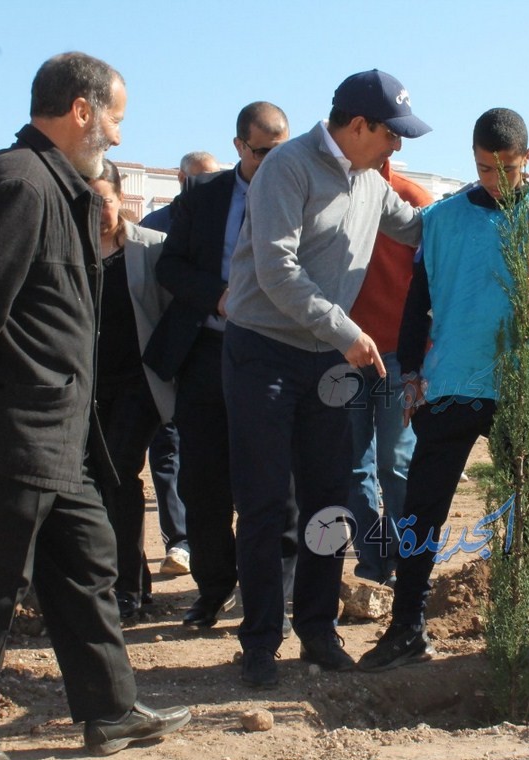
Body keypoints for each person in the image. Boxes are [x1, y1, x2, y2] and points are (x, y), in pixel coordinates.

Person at [0, 52, 189, 760]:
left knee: (91, 564)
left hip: (60, 434)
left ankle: (110, 712)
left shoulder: (63, 189)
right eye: (116, 118)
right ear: (82, 109)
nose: (119, 138)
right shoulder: (17, 182)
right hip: (11, 429)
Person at [221, 70, 430, 688]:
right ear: (360, 126)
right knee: (266, 505)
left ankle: (316, 630)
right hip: (265, 353)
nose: (399, 147)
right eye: (393, 135)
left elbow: (418, 228)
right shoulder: (288, 168)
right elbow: (277, 271)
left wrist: (490, 210)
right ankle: (260, 641)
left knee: (328, 502)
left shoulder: (372, 179)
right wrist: (346, 330)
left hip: (328, 363)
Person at [358, 108, 529, 672]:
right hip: (450, 384)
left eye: (507, 168)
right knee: (423, 512)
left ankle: (516, 625)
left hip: (524, 387)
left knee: (518, 508)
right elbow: (417, 301)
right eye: (484, 167)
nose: (496, 179)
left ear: (526, 160)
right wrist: (409, 372)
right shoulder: (442, 220)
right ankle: (407, 626)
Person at [145, 102, 290, 631]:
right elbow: (170, 266)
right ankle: (212, 588)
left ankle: (269, 590)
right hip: (208, 352)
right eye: (261, 152)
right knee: (202, 480)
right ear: (238, 147)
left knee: (272, 477)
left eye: (281, 150)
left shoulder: (299, 193)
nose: (273, 161)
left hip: (275, 353)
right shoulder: (204, 197)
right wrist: (219, 297)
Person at [87, 159, 175, 620]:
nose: (97, 210)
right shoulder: (72, 251)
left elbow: (172, 313)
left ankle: (126, 589)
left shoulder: (150, 248)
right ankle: (130, 582)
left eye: (104, 199)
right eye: (88, 200)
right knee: (98, 482)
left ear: (121, 199)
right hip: (86, 386)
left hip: (139, 385)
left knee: (118, 472)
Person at [346, 160, 435, 585]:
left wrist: (423, 358)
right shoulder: (327, 197)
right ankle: (371, 561)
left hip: (399, 355)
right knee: (352, 465)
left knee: (396, 462)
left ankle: (405, 562)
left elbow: (434, 283)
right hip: (343, 353)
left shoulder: (412, 201)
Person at [140, 151, 221, 579]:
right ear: (180, 179)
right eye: (198, 179)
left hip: (209, 354)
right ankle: (180, 540)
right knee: (167, 451)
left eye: (213, 178)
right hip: (169, 353)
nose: (206, 186)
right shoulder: (152, 229)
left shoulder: (225, 220)